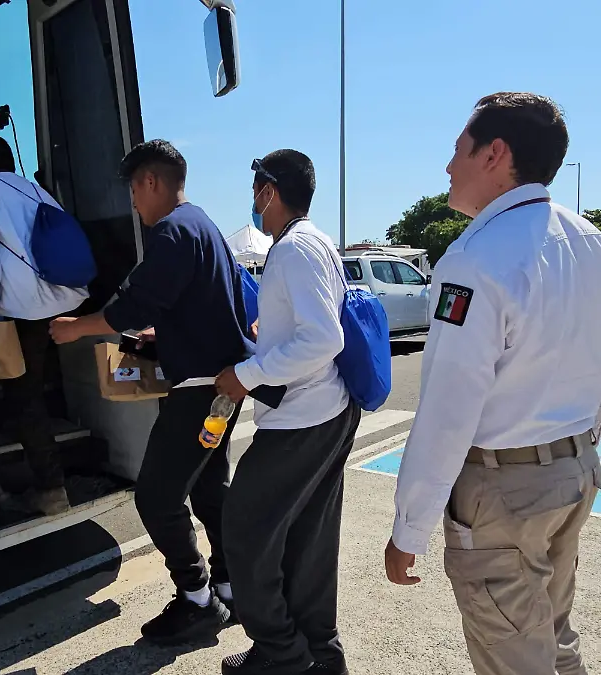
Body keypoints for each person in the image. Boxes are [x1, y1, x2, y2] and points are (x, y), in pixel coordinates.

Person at [383, 93, 601, 675]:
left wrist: (408, 526)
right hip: (573, 471)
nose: (448, 167)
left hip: (504, 491)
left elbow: (448, 406)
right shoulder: (595, 244)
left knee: (514, 657)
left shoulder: (474, 259)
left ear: (495, 153)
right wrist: (578, 449)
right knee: (552, 635)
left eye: (457, 150)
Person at [49, 139, 250, 644]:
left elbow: (136, 304)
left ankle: (198, 599)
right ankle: (231, 587)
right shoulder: (204, 225)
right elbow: (201, 304)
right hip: (219, 387)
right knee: (207, 489)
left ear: (151, 182)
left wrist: (77, 327)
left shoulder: (173, 232)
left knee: (157, 498)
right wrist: (166, 335)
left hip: (197, 391)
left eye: (134, 193)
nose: (134, 206)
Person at [215, 150, 361, 675]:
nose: (254, 201)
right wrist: (266, 337)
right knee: (309, 541)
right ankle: (320, 654)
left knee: (245, 531)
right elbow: (307, 326)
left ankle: (280, 652)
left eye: (257, 190)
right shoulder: (314, 241)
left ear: (270, 192)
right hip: (327, 410)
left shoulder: (292, 249)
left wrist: (244, 377)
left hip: (301, 417)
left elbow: (322, 337)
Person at [0, 136, 89, 516]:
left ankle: (50, 489)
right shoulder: (35, 190)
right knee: (27, 388)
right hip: (63, 300)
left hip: (21, 310)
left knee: (23, 394)